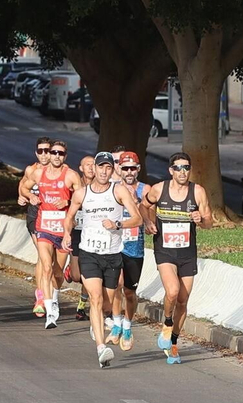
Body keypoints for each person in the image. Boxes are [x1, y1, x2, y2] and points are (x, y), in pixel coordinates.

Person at [63, 152, 143, 367]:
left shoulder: (119, 191)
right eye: (101, 167)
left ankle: (98, 320)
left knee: (107, 303)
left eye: (108, 168)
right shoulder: (82, 193)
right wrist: (67, 234)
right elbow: (69, 217)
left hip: (112, 254)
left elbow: (137, 218)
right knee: (95, 299)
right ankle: (101, 347)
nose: (104, 171)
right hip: (89, 253)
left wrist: (118, 225)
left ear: (111, 170)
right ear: (95, 168)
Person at [143, 152, 213, 364]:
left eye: (186, 168)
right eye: (178, 168)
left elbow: (210, 221)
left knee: (183, 300)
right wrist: (147, 222)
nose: (183, 172)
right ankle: (166, 323)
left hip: (187, 252)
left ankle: (173, 343)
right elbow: (143, 206)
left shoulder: (197, 191)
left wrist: (201, 219)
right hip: (164, 250)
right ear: (171, 170)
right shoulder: (159, 189)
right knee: (172, 291)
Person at [23, 140, 81, 329]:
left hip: (63, 230)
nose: (56, 156)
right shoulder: (39, 173)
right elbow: (24, 186)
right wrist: (30, 195)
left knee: (57, 273)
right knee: (46, 268)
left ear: (65, 156)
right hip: (44, 228)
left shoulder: (71, 175)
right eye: (53, 152)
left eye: (60, 153)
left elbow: (82, 199)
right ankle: (50, 313)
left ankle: (54, 298)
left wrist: (67, 200)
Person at [114, 150, 147, 350]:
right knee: (114, 285)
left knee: (129, 292)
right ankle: (117, 324)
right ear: (119, 169)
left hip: (135, 248)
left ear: (138, 169)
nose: (128, 172)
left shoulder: (145, 189)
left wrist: (138, 204)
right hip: (115, 245)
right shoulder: (113, 189)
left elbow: (150, 214)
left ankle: (127, 324)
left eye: (132, 168)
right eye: (125, 168)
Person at [17, 139, 53, 314]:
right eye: (41, 150)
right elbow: (23, 185)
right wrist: (24, 197)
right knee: (42, 255)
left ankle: (50, 289)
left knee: (51, 261)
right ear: (36, 153)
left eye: (48, 150)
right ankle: (40, 297)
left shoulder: (60, 170)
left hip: (54, 217)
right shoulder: (32, 170)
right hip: (35, 215)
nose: (45, 154)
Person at [70, 155, 97, 321]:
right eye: (87, 165)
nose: (91, 168)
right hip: (76, 231)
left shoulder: (100, 187)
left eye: (94, 165)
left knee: (88, 274)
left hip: (92, 233)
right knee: (76, 276)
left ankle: (81, 306)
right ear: (81, 168)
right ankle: (69, 269)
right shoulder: (75, 185)